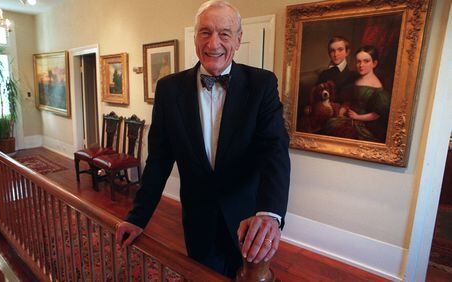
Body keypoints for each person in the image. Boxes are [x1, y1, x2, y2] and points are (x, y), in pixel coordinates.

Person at [115, 0, 290, 278]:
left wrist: (269, 214)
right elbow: (159, 161)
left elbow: (275, 151)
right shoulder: (169, 89)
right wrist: (137, 217)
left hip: (248, 219)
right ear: (195, 37)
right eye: (205, 32)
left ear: (239, 39)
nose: (214, 43)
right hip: (198, 219)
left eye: (224, 33)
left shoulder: (262, 84)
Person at [324, 45, 391, 142]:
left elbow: (377, 114)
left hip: (364, 124)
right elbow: (350, 99)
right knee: (330, 124)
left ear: (374, 63)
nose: (361, 65)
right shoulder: (356, 79)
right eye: (358, 61)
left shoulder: (377, 87)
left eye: (366, 61)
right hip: (349, 118)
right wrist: (344, 108)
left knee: (342, 133)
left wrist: (358, 117)